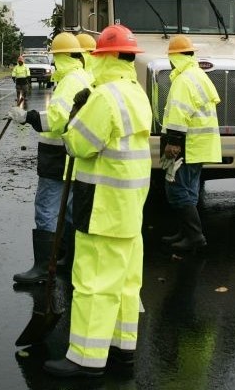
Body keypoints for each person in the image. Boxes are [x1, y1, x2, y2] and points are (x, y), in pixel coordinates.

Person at [43, 24, 152, 378]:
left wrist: (75, 117)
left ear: (103, 57)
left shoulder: (105, 97)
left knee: (92, 283)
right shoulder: (137, 93)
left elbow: (78, 144)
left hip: (102, 208)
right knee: (124, 283)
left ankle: (86, 360)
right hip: (130, 209)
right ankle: (123, 350)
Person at [6, 32, 92, 283]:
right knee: (68, 211)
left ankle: (43, 267)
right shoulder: (84, 76)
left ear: (64, 56)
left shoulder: (70, 81)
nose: (53, 63)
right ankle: (66, 259)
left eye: (55, 57)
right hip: (73, 156)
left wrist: (27, 117)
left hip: (57, 156)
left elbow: (57, 118)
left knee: (46, 208)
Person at [160, 34, 221, 251]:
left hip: (186, 144)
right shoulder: (198, 75)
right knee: (190, 190)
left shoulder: (183, 80)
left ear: (174, 57)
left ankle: (194, 237)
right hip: (199, 144)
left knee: (176, 190)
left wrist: (173, 142)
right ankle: (185, 233)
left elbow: (179, 113)